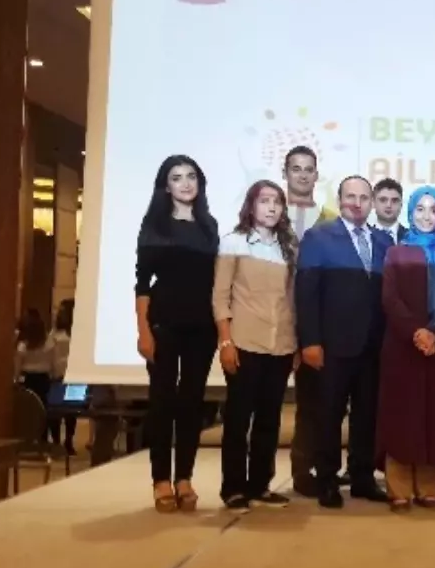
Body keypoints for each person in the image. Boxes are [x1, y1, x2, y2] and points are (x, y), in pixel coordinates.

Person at [297, 175, 392, 508]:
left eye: (364, 198)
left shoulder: (383, 241)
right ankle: (326, 480)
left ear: (371, 203)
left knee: (367, 416)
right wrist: (310, 341)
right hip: (331, 346)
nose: (357, 203)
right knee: (328, 416)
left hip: (373, 347)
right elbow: (306, 293)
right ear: (340, 200)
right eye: (351, 196)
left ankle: (362, 478)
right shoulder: (318, 237)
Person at [135, 154, 219, 513]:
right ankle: (160, 480)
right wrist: (143, 330)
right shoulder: (155, 225)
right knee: (162, 403)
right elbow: (142, 284)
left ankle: (184, 477)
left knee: (192, 404)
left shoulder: (209, 225)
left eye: (191, 176)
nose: (185, 183)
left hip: (203, 326)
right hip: (164, 324)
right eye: (176, 177)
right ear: (166, 186)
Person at [214, 180, 299, 511]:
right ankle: (233, 488)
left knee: (269, 420)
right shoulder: (233, 242)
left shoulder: (287, 248)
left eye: (277, 201)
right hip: (244, 343)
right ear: (251, 206)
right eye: (264, 200)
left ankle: (260, 484)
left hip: (280, 346)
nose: (271, 207)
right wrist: (225, 341)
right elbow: (220, 297)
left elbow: (291, 300)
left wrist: (295, 343)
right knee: (238, 420)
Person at [377, 186, 435, 511]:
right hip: (403, 346)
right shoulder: (396, 252)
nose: (427, 216)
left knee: (434, 415)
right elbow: (390, 298)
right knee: (402, 414)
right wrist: (416, 332)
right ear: (410, 213)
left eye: (434, 210)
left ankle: (428, 488)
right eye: (420, 209)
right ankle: (398, 488)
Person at [284, 146, 327, 496]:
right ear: (285, 173)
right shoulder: (269, 213)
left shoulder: (330, 219)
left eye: (308, 169)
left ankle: (310, 470)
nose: (302, 174)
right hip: (275, 319)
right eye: (296, 168)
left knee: (315, 403)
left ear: (316, 175)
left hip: (317, 323)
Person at [49, 299, 76, 453]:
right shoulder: (55, 332)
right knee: (57, 411)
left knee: (71, 412)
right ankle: (57, 441)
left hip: (71, 375)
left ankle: (68, 440)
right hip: (58, 375)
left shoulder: (77, 332)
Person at [371, 178, 408, 243]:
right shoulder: (365, 237)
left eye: (394, 201)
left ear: (401, 204)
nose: (389, 205)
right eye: (383, 200)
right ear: (373, 203)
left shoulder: (411, 238)